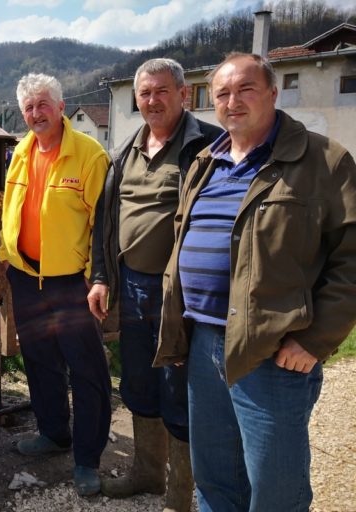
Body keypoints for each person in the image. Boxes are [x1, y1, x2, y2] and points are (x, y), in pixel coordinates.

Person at [154, 52, 356, 511]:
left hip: (271, 351)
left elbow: (351, 259)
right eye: (222, 93)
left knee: (274, 491)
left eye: (245, 89)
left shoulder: (322, 161)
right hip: (203, 342)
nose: (232, 101)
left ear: (272, 93)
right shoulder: (205, 162)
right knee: (215, 482)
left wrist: (316, 339)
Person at [87, 58, 220, 511]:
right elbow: (106, 220)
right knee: (140, 383)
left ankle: (180, 493)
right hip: (133, 288)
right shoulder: (126, 151)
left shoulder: (207, 146)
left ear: (184, 94)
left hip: (182, 294)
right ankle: (146, 473)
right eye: (144, 93)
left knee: (179, 389)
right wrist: (102, 277)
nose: (151, 100)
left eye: (161, 91)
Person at [0, 73, 112, 496]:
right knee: (40, 360)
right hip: (27, 278)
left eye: (43, 104)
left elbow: (105, 226)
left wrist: (97, 277)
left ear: (62, 107)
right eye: (28, 107)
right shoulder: (21, 153)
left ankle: (87, 459)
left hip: (70, 282)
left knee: (86, 371)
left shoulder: (89, 155)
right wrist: (6, 252)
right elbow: (11, 208)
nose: (35, 113)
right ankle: (53, 433)